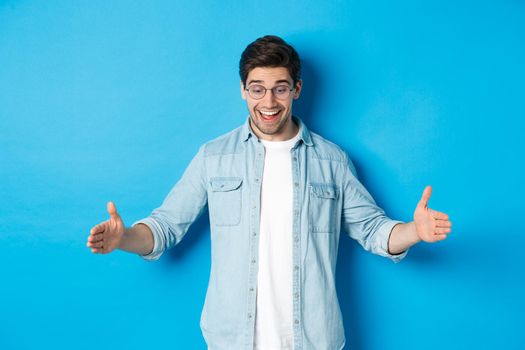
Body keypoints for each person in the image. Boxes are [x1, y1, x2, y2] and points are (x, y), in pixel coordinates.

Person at [86, 35, 452, 350]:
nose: (269, 102)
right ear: (244, 90)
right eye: (257, 89)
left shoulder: (332, 160)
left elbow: (374, 230)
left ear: (297, 89)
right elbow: (165, 227)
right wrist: (124, 239)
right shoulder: (214, 157)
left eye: (280, 88)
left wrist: (415, 232)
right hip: (233, 341)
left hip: (313, 340)